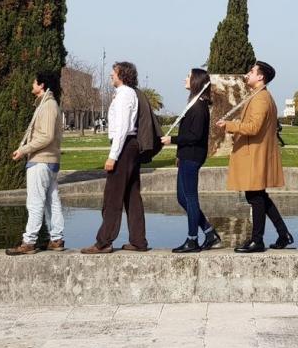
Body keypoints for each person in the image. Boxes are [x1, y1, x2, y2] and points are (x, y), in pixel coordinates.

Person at [218, 61, 292, 253]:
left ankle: (257, 240)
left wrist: (229, 125)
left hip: (255, 154)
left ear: (260, 77)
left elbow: (253, 127)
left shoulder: (261, 99)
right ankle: (283, 234)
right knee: (259, 196)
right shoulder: (259, 96)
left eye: (252, 71)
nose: (248, 74)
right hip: (254, 154)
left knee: (256, 197)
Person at [82, 61, 149, 254]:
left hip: (125, 147)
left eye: (114, 72)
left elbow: (121, 128)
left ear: (122, 74)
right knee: (131, 195)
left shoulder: (124, 95)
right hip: (129, 147)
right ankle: (138, 240)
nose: (111, 75)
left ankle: (104, 241)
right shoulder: (126, 94)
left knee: (112, 196)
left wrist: (113, 156)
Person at [163, 68, 221, 253]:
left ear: (196, 81)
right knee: (182, 198)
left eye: (188, 76)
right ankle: (209, 232)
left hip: (193, 157)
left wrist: (172, 141)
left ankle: (192, 239)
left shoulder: (199, 107)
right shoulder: (194, 104)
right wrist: (179, 154)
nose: (185, 79)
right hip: (186, 156)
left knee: (190, 198)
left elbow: (194, 136)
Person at [6, 71, 65, 255]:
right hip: (48, 160)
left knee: (35, 202)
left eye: (34, 82)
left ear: (42, 85)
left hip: (41, 161)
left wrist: (24, 149)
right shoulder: (47, 105)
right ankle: (56, 238)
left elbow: (46, 136)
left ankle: (29, 241)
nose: (32, 84)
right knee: (51, 200)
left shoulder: (48, 106)